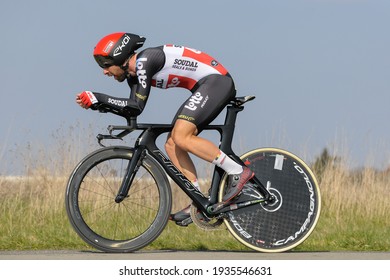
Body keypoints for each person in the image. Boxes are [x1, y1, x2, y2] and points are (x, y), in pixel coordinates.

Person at [76, 32, 254, 226]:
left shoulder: (145, 61)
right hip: (205, 86)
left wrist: (99, 97)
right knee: (172, 144)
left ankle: (237, 171)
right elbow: (133, 109)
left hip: (216, 82)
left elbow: (135, 105)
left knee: (181, 136)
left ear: (118, 56)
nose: (105, 72)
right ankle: (198, 201)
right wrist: (97, 104)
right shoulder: (133, 76)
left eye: (106, 65)